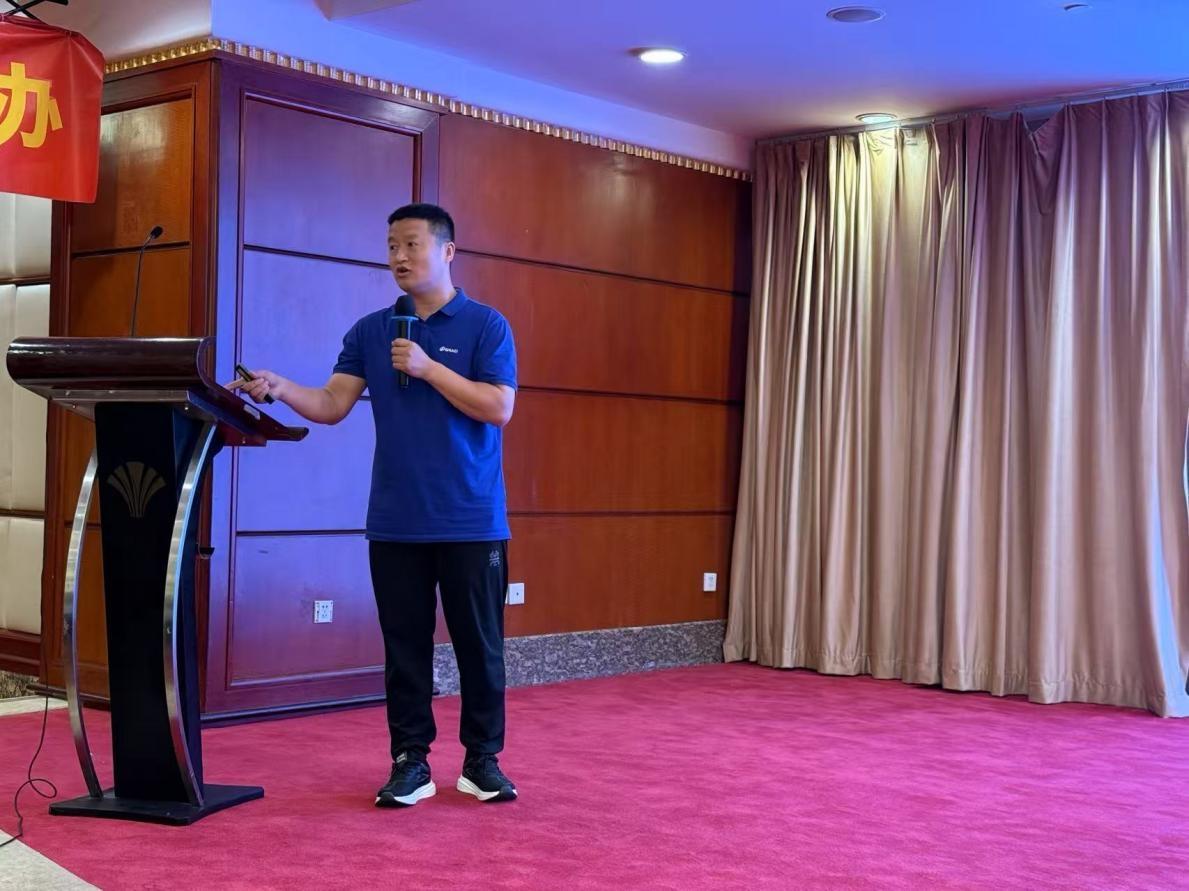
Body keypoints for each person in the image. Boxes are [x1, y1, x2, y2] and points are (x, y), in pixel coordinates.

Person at [231, 203, 518, 807]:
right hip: (395, 520)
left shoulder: (486, 325)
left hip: (470, 518)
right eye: (391, 246)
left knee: (480, 646)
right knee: (404, 647)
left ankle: (482, 761)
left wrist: (429, 369)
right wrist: (281, 388)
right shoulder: (371, 330)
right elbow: (333, 404)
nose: (398, 257)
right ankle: (411, 761)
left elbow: (498, 407)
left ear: (447, 251)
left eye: (411, 244)